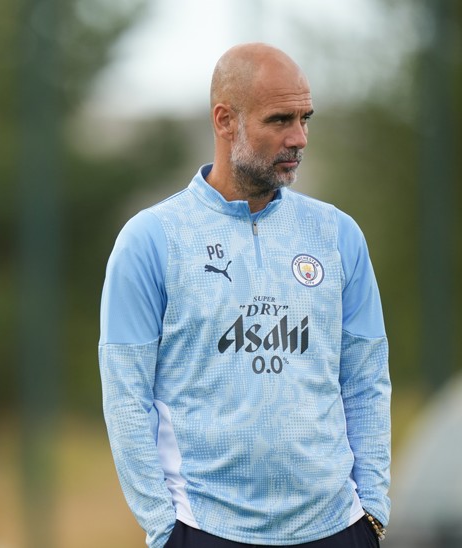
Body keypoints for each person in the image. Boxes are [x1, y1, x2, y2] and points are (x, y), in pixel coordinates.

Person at [98, 43, 391, 548]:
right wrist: (164, 527)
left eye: (305, 119)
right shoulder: (152, 240)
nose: (298, 138)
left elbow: (366, 380)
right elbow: (126, 397)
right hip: (206, 528)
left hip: (335, 528)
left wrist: (373, 512)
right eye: (280, 120)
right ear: (225, 119)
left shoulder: (337, 235)